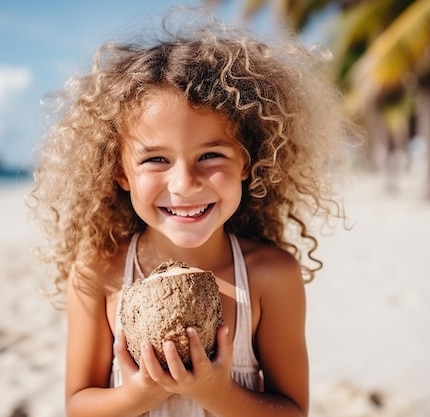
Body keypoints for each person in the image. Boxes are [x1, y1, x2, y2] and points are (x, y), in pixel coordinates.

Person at [29, 9, 353, 417]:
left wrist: (214, 391)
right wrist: (141, 392)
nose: (184, 183)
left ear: (247, 163)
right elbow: (79, 406)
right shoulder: (99, 273)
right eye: (156, 160)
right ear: (119, 173)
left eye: (211, 155)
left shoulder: (271, 276)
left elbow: (293, 411)